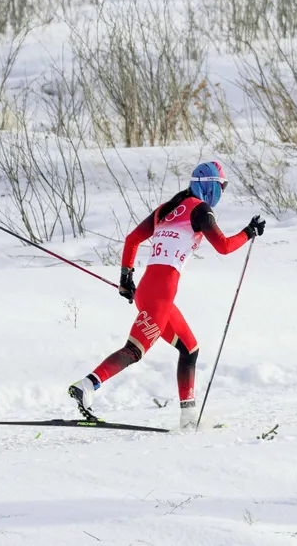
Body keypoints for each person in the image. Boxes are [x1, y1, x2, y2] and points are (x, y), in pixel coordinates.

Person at [69, 161, 264, 430]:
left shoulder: (166, 209)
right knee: (134, 351)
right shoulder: (200, 210)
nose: (222, 192)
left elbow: (131, 240)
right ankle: (88, 385)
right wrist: (249, 232)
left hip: (151, 292)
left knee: (189, 348)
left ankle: (188, 417)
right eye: (221, 186)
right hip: (159, 296)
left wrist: (126, 279)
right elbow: (225, 247)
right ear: (209, 187)